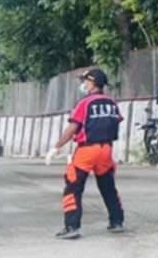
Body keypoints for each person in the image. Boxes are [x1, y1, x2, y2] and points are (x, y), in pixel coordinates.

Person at [53, 68, 126, 239]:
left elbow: (73, 127)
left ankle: (72, 226)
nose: (83, 84)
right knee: (108, 187)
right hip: (106, 150)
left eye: (85, 81)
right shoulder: (111, 103)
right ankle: (117, 221)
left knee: (73, 186)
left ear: (92, 83)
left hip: (87, 150)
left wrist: (57, 145)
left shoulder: (85, 103)